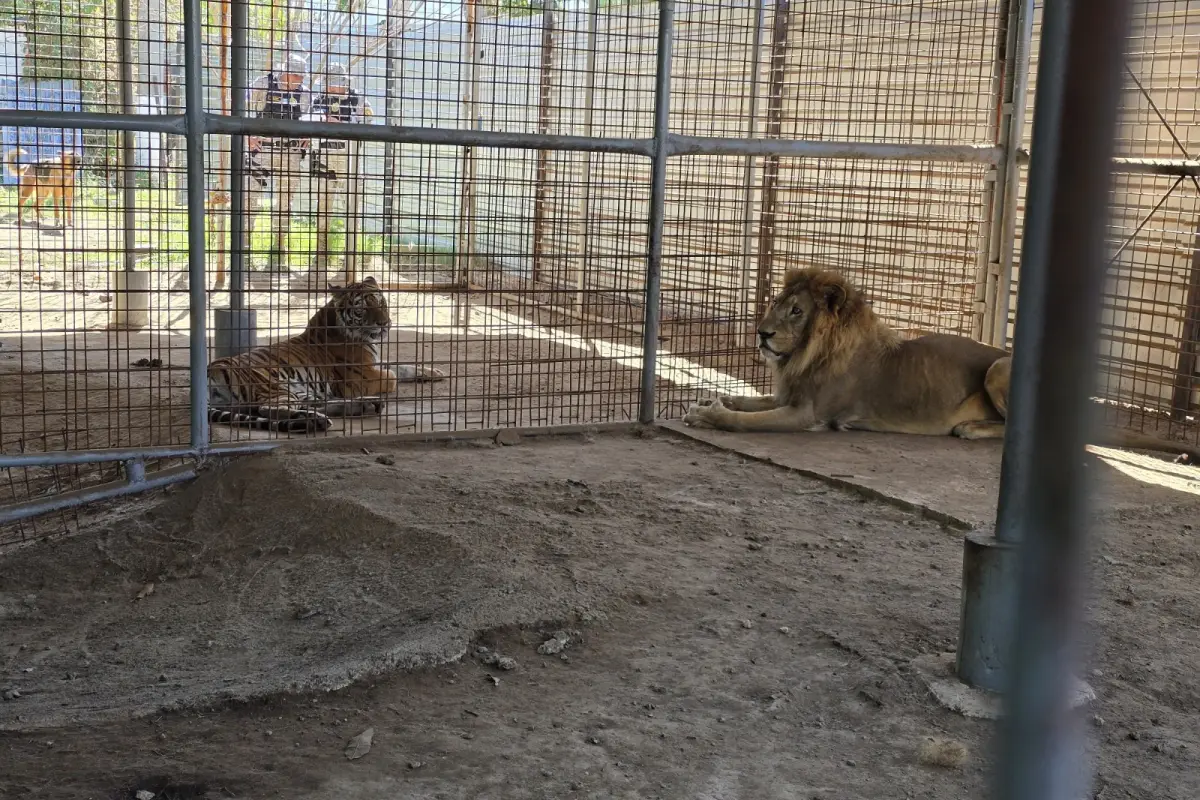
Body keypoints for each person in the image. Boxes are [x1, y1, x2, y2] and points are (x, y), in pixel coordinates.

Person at [307, 63, 373, 181]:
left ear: (343, 82)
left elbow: (367, 125)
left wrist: (341, 125)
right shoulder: (319, 99)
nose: (329, 88)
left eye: (333, 84)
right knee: (323, 192)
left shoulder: (357, 99)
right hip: (323, 156)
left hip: (349, 155)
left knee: (352, 190)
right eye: (327, 84)